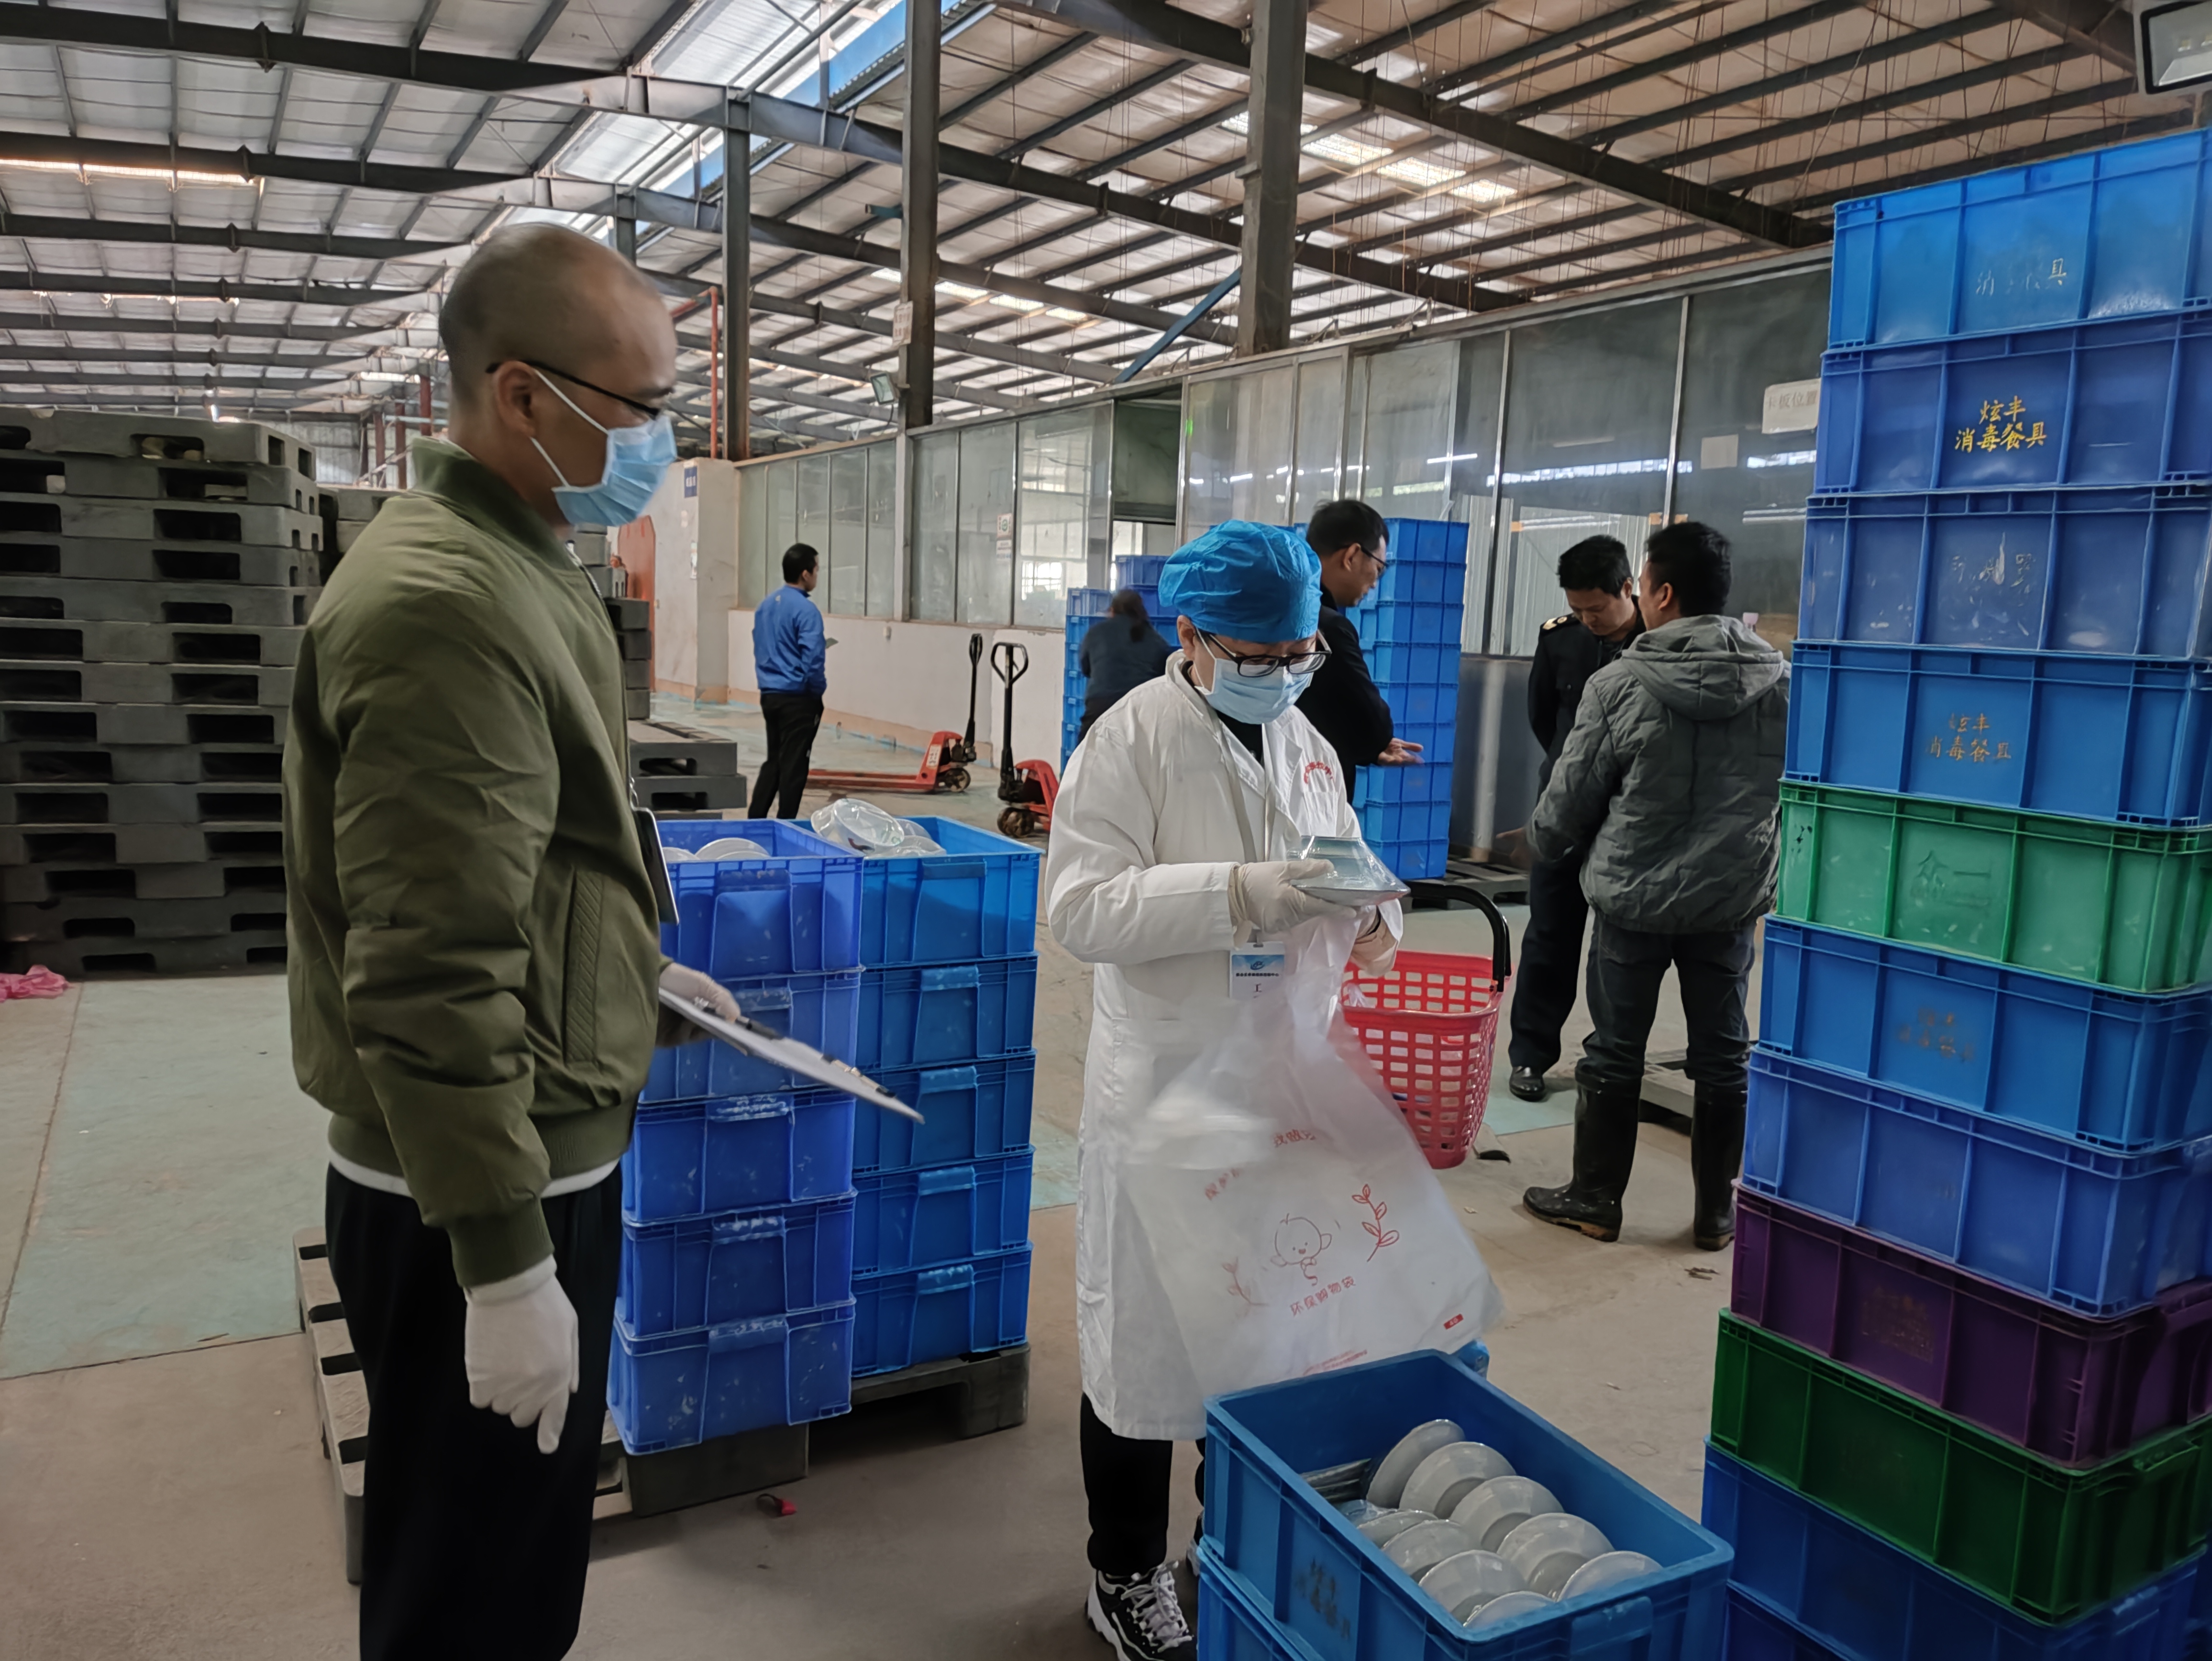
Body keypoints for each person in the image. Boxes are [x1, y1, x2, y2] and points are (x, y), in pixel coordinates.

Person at [283, 223, 739, 1661]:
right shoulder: (443, 606)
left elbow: (531, 859)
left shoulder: (523, 557)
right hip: (478, 1189)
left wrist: (629, 972)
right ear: (523, 394)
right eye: (640, 405)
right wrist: (499, 1262)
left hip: (535, 1149)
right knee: (470, 1592)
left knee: (516, 1569)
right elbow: (428, 967)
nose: (662, 439)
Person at [1046, 520, 1403, 1661]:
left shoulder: (1307, 743)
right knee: (1143, 1350)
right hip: (1167, 1091)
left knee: (1263, 1342)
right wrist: (1240, 892)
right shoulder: (1129, 740)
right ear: (1192, 635)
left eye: (1300, 651)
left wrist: (1374, 913)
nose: (1282, 671)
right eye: (1257, 655)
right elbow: (1080, 909)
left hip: (1277, 1088)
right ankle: (1123, 1571)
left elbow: (1347, 858)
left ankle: (1225, 1546)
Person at [1520, 521, 1787, 1252]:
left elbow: (1569, 799)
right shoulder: (1781, 684)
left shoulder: (1620, 685)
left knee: (1614, 1049)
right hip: (1729, 903)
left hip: (1633, 899)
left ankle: (1595, 1200)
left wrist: (1545, 844)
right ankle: (1718, 1214)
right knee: (1725, 1056)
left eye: (1641, 582)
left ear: (1663, 594)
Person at [1506, 536, 1645, 1102]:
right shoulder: (1560, 639)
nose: (1589, 620)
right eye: (1579, 608)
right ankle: (1530, 1055)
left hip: (1627, 817)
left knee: (1615, 947)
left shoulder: (1657, 643)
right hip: (1562, 812)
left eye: (1598, 608)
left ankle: (1606, 1061)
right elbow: (1544, 718)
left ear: (1628, 588)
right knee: (1549, 935)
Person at [1296, 498, 1423, 798]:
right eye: (1378, 568)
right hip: (1314, 791)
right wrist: (1374, 742)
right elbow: (1374, 724)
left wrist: (1370, 747)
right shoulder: (1329, 628)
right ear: (1352, 555)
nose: (1376, 584)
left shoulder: (1281, 613)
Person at [748, 543, 828, 819]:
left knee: (775, 760)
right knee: (794, 765)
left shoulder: (765, 606)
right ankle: (786, 825)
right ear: (805, 574)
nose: (817, 575)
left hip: (770, 695)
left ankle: (755, 821)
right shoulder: (806, 610)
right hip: (797, 698)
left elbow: (761, 646)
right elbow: (813, 658)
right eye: (816, 569)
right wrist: (816, 691)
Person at [1078, 587, 1172, 740]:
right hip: (1142, 711)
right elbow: (1163, 680)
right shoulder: (1157, 640)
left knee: (1086, 753)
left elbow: (1086, 669)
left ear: (1112, 611)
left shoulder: (1096, 633)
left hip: (1100, 708)